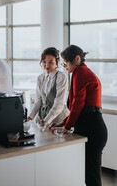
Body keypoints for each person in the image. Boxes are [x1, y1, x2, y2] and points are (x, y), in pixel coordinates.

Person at [50, 45, 108, 186]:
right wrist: (63, 123)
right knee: (88, 175)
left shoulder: (81, 73)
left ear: (76, 59)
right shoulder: (80, 72)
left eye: (66, 62)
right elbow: (78, 108)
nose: (64, 66)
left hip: (92, 127)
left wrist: (66, 126)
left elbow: (78, 104)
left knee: (91, 177)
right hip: (91, 125)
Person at [27, 47, 68, 126]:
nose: (47, 66)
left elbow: (59, 104)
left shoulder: (61, 77)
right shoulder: (40, 78)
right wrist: (29, 117)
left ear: (57, 61)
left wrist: (46, 121)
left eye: (51, 62)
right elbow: (38, 102)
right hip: (41, 119)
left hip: (57, 121)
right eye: (44, 62)